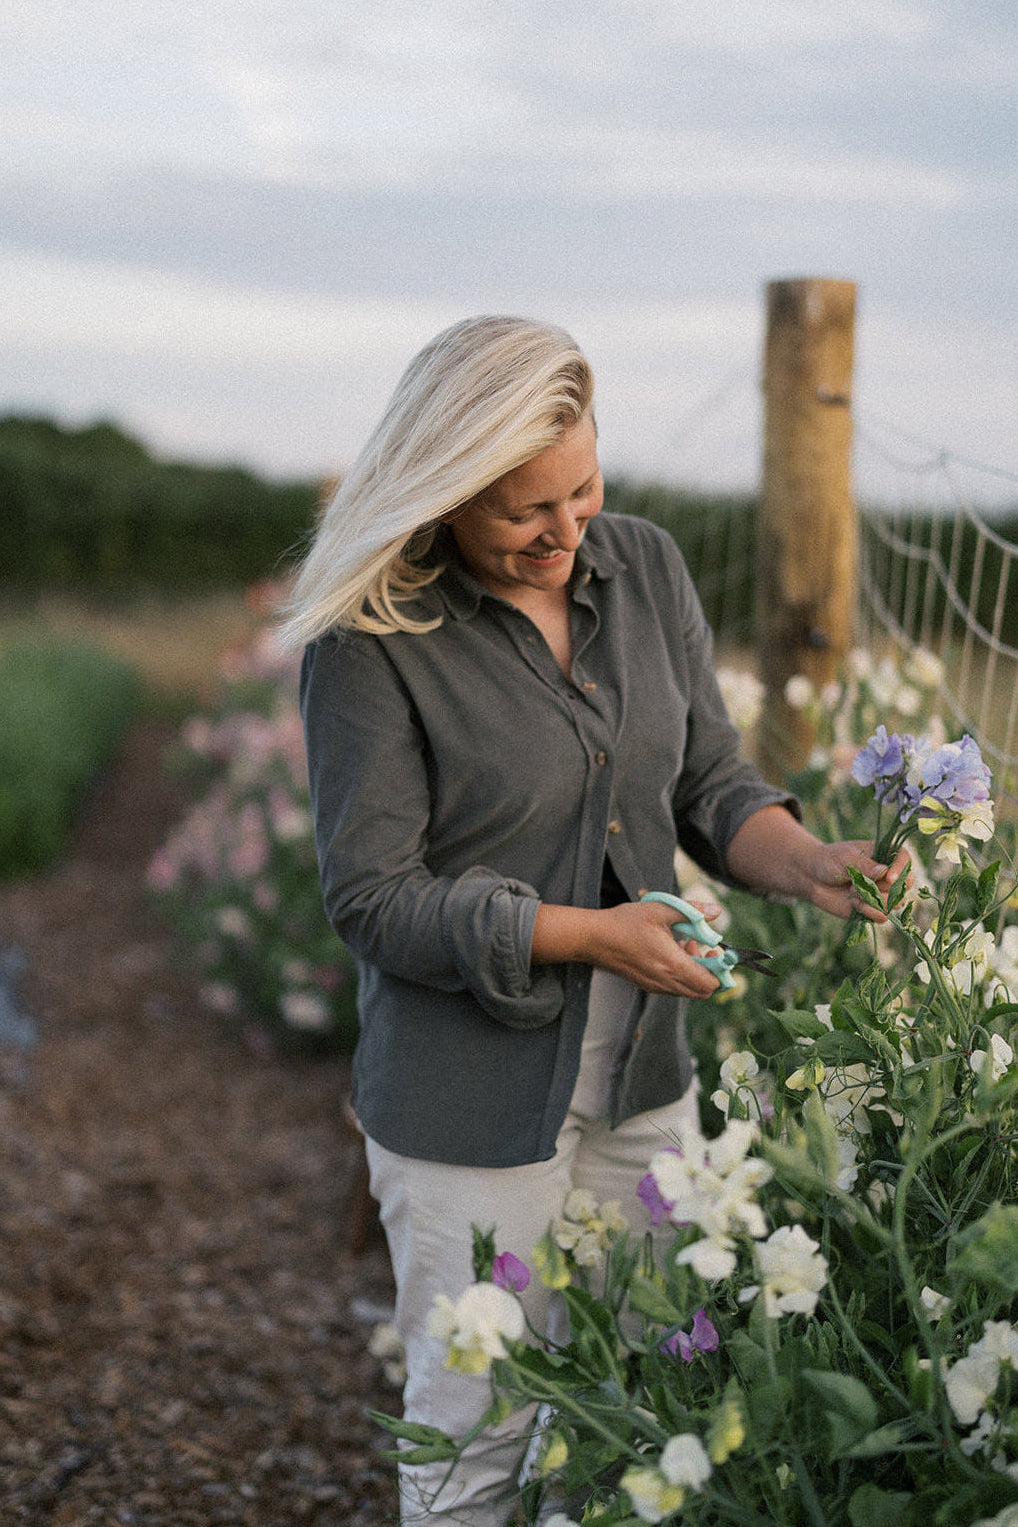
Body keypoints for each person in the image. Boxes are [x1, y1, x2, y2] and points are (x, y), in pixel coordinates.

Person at [281, 315, 908, 1526]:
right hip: (467, 1097)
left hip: (644, 1080)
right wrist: (590, 934)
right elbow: (373, 899)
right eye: (523, 511)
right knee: (477, 1435)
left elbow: (708, 783)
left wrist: (807, 861)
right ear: (444, 493)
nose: (566, 533)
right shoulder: (372, 636)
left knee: (644, 1406)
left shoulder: (644, 568)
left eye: (583, 489)